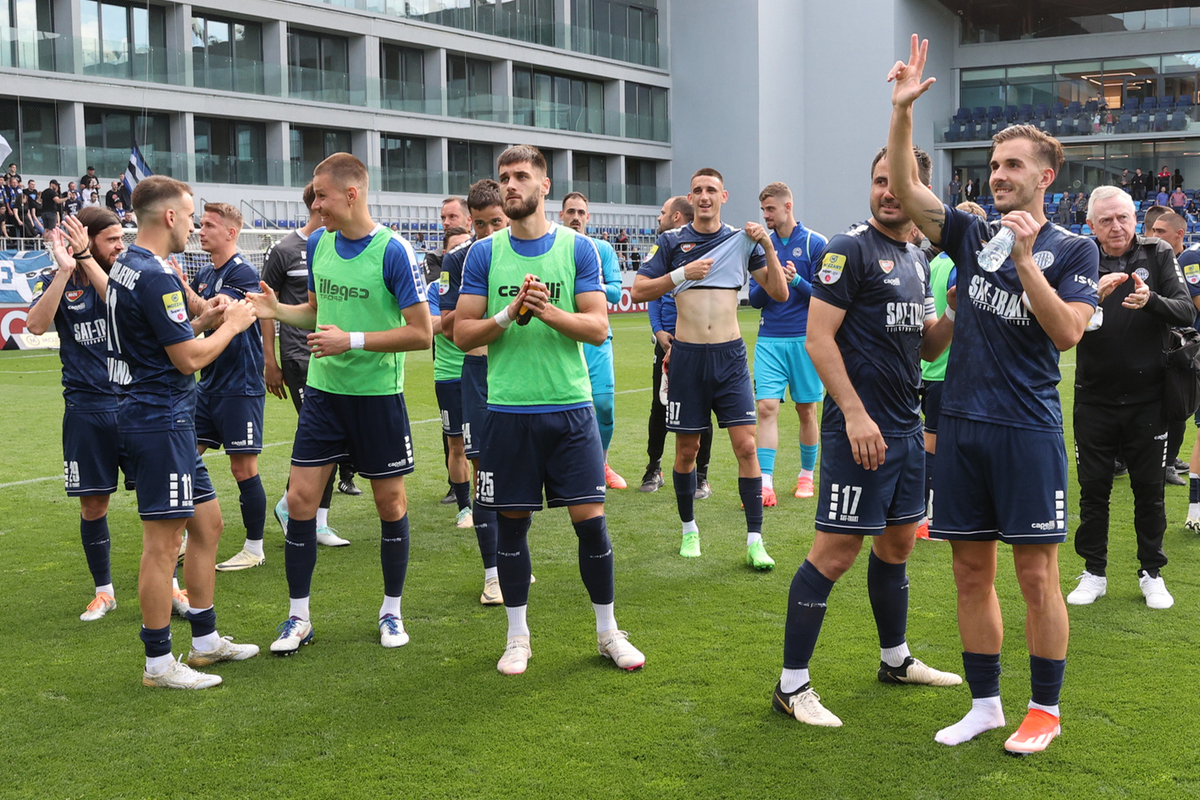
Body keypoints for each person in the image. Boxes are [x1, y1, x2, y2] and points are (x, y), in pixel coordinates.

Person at [888, 35, 1099, 755]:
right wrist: (902, 113)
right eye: (994, 164)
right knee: (968, 570)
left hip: (1028, 431)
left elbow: (1068, 331)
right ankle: (984, 704)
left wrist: (1023, 259)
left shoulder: (1073, 249)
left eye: (1012, 166)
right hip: (964, 427)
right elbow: (911, 192)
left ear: (1045, 175)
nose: (998, 174)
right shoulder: (970, 228)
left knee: (1037, 575)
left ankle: (1044, 710)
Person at [773, 144, 961, 728]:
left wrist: (952, 314)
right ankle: (791, 685)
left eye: (896, 183)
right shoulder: (846, 248)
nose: (885, 192)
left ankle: (895, 659)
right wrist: (855, 413)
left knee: (898, 546)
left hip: (906, 429)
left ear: (918, 193)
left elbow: (926, 344)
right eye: (879, 181)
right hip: (858, 431)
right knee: (835, 553)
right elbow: (819, 339)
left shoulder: (916, 256)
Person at [455, 144, 644, 675]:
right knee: (511, 527)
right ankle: (518, 637)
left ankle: (608, 632)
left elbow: (597, 326)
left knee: (591, 523)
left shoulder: (577, 248)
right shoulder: (483, 255)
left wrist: (546, 310)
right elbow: (462, 332)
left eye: (520, 176)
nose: (510, 185)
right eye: (504, 177)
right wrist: (507, 314)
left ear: (544, 184)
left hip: (569, 409)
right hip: (507, 411)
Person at [248, 153, 431, 655]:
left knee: (389, 504)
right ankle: (298, 617)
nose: (314, 203)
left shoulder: (395, 251)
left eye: (322, 195)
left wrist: (350, 341)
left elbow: (422, 334)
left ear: (351, 194)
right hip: (325, 397)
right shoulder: (319, 243)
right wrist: (276, 310)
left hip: (377, 398)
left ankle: (391, 612)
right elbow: (314, 313)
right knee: (302, 502)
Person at [107, 174, 261, 688]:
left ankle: (204, 641)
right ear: (168, 215)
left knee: (209, 524)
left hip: (164, 415)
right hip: (159, 420)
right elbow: (186, 358)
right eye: (191, 216)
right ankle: (157, 664)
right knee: (161, 542)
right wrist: (232, 326)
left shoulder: (130, 264)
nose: (194, 226)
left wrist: (204, 318)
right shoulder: (154, 274)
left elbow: (166, 337)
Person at [632, 168, 789, 569]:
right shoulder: (670, 241)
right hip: (687, 359)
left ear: (724, 195)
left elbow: (778, 292)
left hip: (730, 358)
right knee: (687, 450)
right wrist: (682, 273)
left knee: (747, 446)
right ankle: (689, 530)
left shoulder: (741, 240)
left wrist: (768, 248)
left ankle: (755, 541)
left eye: (711, 190)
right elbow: (638, 290)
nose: (704, 196)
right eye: (698, 190)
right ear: (691, 197)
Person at [1067, 190, 1192, 611]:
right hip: (1094, 396)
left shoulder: (1156, 252)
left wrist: (1150, 301)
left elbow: (1185, 312)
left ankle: (1151, 573)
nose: (1116, 226)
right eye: (1106, 220)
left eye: (1122, 217)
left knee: (1150, 491)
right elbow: (1055, 319)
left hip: (1149, 398)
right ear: (1091, 225)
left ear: (1134, 218)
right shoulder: (1079, 255)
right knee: (1093, 490)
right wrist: (1089, 301)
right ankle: (1094, 572)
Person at [26, 209, 127, 620]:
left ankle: (170, 587)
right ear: (85, 238)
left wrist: (87, 258)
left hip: (134, 405)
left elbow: (123, 306)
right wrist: (65, 272)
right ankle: (104, 592)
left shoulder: (125, 277)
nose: (120, 246)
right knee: (92, 507)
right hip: (86, 411)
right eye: (112, 239)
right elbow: (34, 325)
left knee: (160, 505)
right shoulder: (58, 280)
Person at [261, 183, 351, 550]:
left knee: (336, 438)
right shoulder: (284, 249)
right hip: (300, 356)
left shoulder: (339, 245)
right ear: (317, 203)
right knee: (323, 438)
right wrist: (270, 360)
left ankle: (309, 515)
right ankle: (300, 512)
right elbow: (267, 307)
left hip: (335, 356)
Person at [181, 203, 270, 572]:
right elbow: (197, 318)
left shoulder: (243, 272)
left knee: (242, 468)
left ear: (231, 233)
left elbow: (221, 317)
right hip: (208, 384)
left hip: (240, 384)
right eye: (200, 225)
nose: (200, 231)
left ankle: (255, 547)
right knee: (185, 456)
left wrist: (181, 286)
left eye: (209, 226)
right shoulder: (204, 272)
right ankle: (190, 532)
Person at [440, 179, 511, 605]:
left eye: (496, 222)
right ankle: (492, 574)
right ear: (470, 220)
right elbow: (450, 325)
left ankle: (513, 557)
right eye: (480, 224)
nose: (487, 233)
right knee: (485, 473)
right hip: (479, 372)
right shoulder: (458, 258)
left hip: (519, 374)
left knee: (517, 475)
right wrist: (500, 317)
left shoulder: (526, 251)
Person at [753, 182, 827, 505]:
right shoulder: (760, 245)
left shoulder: (815, 243)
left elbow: (825, 298)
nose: (766, 215)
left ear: (787, 206)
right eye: (763, 210)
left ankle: (806, 476)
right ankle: (765, 483)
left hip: (804, 339)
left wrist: (795, 280)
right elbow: (755, 298)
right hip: (769, 339)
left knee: (806, 410)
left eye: (770, 209)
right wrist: (774, 280)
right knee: (766, 407)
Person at [918, 200, 988, 539]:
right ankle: (926, 515)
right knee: (937, 444)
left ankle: (925, 511)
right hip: (952, 367)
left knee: (932, 440)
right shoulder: (965, 263)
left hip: (929, 367)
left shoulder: (935, 263)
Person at [640, 196, 714, 498]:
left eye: (662, 213)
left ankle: (701, 475)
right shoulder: (665, 249)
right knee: (660, 406)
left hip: (698, 343)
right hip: (667, 341)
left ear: (676, 216)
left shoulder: (708, 248)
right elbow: (652, 294)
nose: (659, 218)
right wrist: (658, 331)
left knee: (702, 408)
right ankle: (653, 467)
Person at [560, 191, 626, 489]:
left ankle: (601, 464)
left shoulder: (602, 249)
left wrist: (586, 284)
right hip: (561, 337)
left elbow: (616, 291)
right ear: (561, 215)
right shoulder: (554, 248)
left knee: (603, 405)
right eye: (570, 211)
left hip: (597, 337)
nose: (575, 216)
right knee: (562, 405)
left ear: (588, 217)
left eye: (580, 212)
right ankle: (565, 466)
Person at [428, 224, 475, 532]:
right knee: (456, 445)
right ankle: (464, 507)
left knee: (487, 448)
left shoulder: (484, 279)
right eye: (455, 249)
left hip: (483, 371)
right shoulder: (435, 290)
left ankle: (493, 504)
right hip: (449, 376)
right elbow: (432, 325)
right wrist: (466, 307)